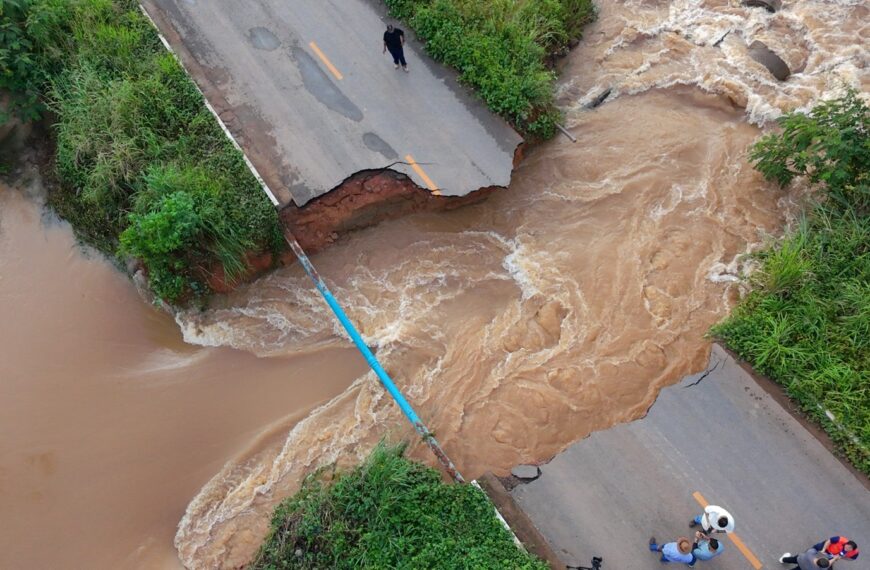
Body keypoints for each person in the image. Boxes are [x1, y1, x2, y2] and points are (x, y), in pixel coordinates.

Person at [781, 538, 859, 565]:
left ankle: (784, 559)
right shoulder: (840, 540)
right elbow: (829, 541)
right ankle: (784, 559)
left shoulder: (809, 555)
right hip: (824, 550)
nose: (847, 549)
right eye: (848, 547)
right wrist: (823, 550)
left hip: (806, 560)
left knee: (800, 558)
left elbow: (843, 556)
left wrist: (836, 557)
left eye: (850, 549)